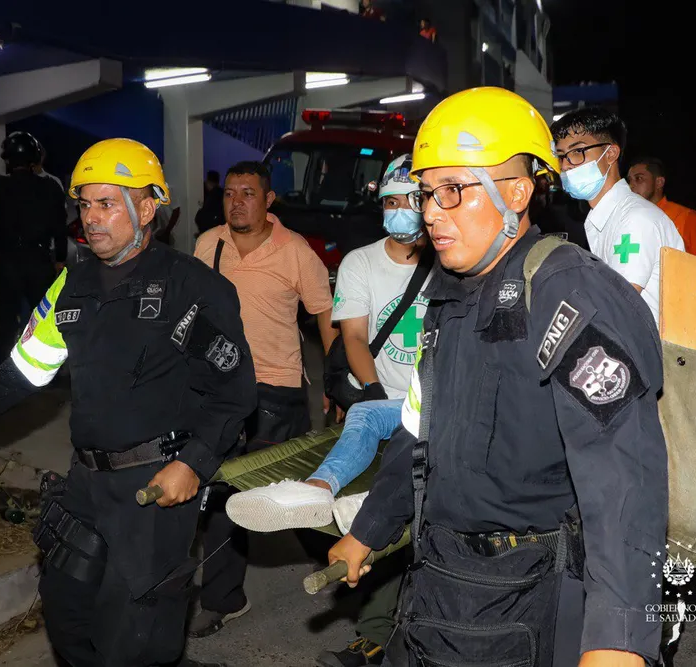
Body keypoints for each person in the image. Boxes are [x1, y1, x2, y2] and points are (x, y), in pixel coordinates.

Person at [329, 87, 669, 667]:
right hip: (438, 582)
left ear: (515, 193)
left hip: (529, 594)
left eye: (452, 190)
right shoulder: (447, 298)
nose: (430, 211)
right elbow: (418, 430)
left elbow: (622, 474)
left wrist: (617, 638)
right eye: (426, 191)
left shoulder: (567, 292)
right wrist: (369, 528)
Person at [0, 138, 256, 667]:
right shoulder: (70, 285)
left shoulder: (190, 287)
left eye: (106, 204)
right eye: (84, 204)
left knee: (135, 641)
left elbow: (234, 390)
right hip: (85, 485)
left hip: (154, 490)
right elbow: (22, 371)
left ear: (147, 208)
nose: (91, 218)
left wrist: (193, 463)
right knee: (68, 616)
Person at [224, 154, 429, 667]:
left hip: (439, 405)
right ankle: (321, 494)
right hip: (385, 400)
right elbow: (352, 336)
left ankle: (400, 628)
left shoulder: (452, 261)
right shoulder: (361, 262)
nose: (398, 211)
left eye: (408, 201)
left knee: (418, 523)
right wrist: (375, 391)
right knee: (366, 427)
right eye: (389, 202)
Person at [191, 160, 337, 638]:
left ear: (268, 199)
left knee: (293, 495)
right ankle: (224, 598)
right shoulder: (208, 244)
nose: (236, 202)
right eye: (230, 193)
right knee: (222, 493)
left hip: (277, 391)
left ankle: (344, 558)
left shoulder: (295, 251)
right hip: (219, 388)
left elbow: (325, 315)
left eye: (248, 193)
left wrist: (335, 382)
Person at [551, 108, 684, 324]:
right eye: (561, 156)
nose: (566, 165)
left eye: (577, 152)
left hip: (651, 345)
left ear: (610, 154)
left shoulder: (635, 219)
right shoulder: (606, 217)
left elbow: (616, 304)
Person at [0, 131, 67, 363]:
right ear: (35, 158)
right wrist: (60, 259)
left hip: (5, 261)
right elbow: (59, 228)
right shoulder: (50, 188)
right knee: (41, 322)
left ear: (7, 159)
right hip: (38, 260)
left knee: (5, 326)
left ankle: (1, 371)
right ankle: (42, 370)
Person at [627, 157, 696, 257]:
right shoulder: (627, 218)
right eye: (629, 180)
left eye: (639, 178)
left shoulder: (686, 218)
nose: (631, 186)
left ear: (659, 182)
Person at [195, 169, 223, 235]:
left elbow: (203, 217)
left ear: (208, 182)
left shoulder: (212, 196)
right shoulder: (222, 194)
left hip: (211, 233)